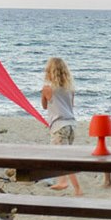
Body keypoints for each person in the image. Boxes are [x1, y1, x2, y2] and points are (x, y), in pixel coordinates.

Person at [41, 57, 81, 195]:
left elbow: (45, 105)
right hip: (71, 124)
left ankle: (75, 188)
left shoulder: (47, 88)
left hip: (59, 126)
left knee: (64, 158)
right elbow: (71, 105)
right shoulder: (70, 89)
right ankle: (61, 181)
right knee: (64, 156)